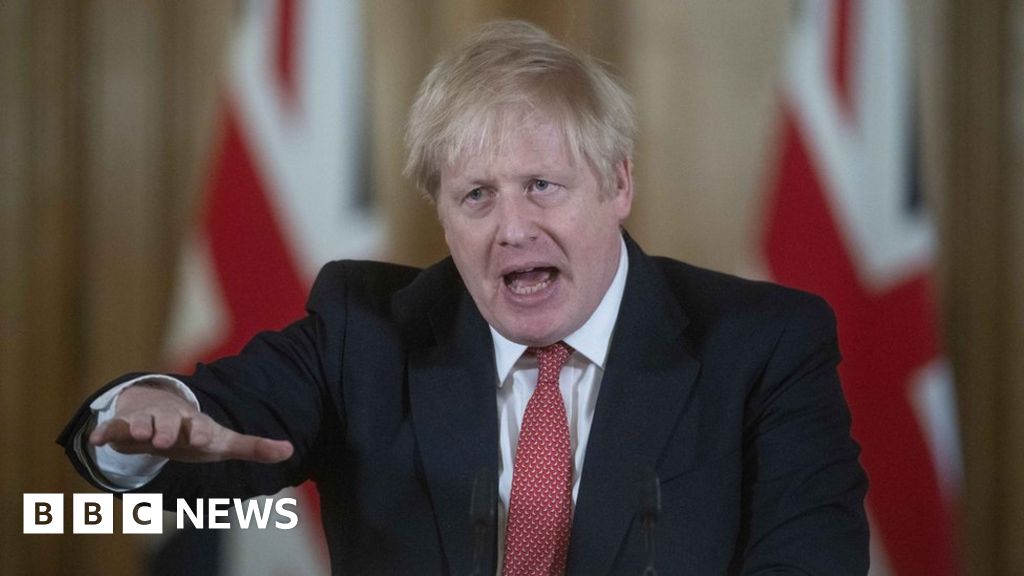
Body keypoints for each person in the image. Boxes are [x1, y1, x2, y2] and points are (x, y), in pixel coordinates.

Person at [60, 20, 869, 575]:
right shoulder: (364, 331)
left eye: (542, 186)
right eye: (475, 196)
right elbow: (211, 422)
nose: (511, 228)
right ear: (440, 212)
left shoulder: (762, 347)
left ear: (618, 184)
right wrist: (155, 415)